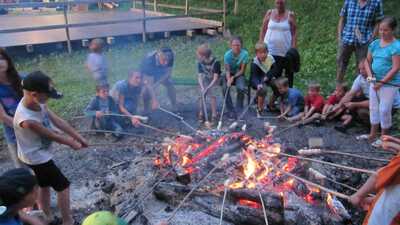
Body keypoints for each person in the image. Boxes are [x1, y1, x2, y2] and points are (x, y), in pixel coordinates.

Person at [13, 71, 88, 225]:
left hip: (37, 153)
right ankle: (68, 221)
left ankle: (46, 217)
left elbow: (59, 122)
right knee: (63, 186)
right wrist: (72, 143)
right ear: (34, 94)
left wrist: (79, 137)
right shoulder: (27, 119)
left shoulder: (36, 102)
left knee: (44, 186)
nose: (47, 99)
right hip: (36, 158)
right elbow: (52, 135)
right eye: (46, 95)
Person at [365, 17, 400, 147]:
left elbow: (396, 68)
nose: (382, 32)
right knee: (373, 107)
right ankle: (372, 134)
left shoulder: (397, 46)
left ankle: (385, 137)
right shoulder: (374, 44)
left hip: (390, 83)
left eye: (386, 30)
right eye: (380, 29)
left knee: (384, 109)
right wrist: (370, 76)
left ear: (393, 30)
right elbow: (367, 61)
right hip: (374, 81)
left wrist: (382, 82)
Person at [349, 136, 400, 225]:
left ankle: (316, 142)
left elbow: (377, 177)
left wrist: (358, 196)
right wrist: (376, 199)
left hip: (389, 216)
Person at [336, 0, 384, 83]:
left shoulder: (376, 2)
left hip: (364, 40)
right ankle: (338, 87)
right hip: (347, 37)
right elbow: (342, 18)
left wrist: (372, 38)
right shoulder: (349, 1)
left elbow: (378, 21)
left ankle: (359, 90)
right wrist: (340, 37)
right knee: (341, 64)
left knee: (362, 67)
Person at [259, 0, 297, 87]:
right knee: (273, 75)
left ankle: (287, 97)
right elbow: (263, 28)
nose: (279, 3)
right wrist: (260, 45)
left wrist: (294, 48)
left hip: (286, 52)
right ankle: (273, 96)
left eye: (281, 2)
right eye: (278, 2)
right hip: (270, 51)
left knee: (288, 77)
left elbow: (294, 32)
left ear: (285, 2)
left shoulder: (290, 15)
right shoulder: (269, 13)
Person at [0, 48, 23, 168]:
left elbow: (41, 107)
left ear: (7, 60)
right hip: (15, 136)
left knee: (43, 174)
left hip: (37, 133)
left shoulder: (23, 79)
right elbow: (3, 116)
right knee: (24, 176)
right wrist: (27, 128)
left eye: (1, 58)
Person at [222, 36, 249, 118]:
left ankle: (239, 109)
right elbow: (227, 70)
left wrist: (233, 77)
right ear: (231, 46)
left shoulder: (245, 54)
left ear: (241, 45)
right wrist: (229, 78)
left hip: (239, 74)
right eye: (234, 45)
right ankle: (230, 110)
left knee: (241, 88)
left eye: (238, 45)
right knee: (224, 88)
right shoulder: (227, 55)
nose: (236, 47)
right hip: (229, 73)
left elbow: (242, 70)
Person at [196, 44, 221, 125]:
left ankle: (214, 114)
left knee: (212, 93)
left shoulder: (216, 62)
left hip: (215, 79)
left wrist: (208, 87)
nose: (197, 56)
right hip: (206, 78)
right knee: (201, 93)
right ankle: (201, 113)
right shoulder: (200, 62)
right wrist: (202, 87)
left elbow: (215, 78)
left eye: (199, 54)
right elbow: (200, 76)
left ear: (203, 56)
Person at [250, 42, 277, 115]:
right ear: (256, 53)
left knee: (278, 85)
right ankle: (259, 109)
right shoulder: (254, 62)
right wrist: (258, 84)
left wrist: (267, 76)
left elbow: (274, 70)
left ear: (267, 52)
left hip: (268, 77)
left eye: (265, 52)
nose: (263, 55)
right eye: (260, 53)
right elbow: (254, 76)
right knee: (263, 89)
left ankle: (270, 104)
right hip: (257, 80)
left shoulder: (270, 58)